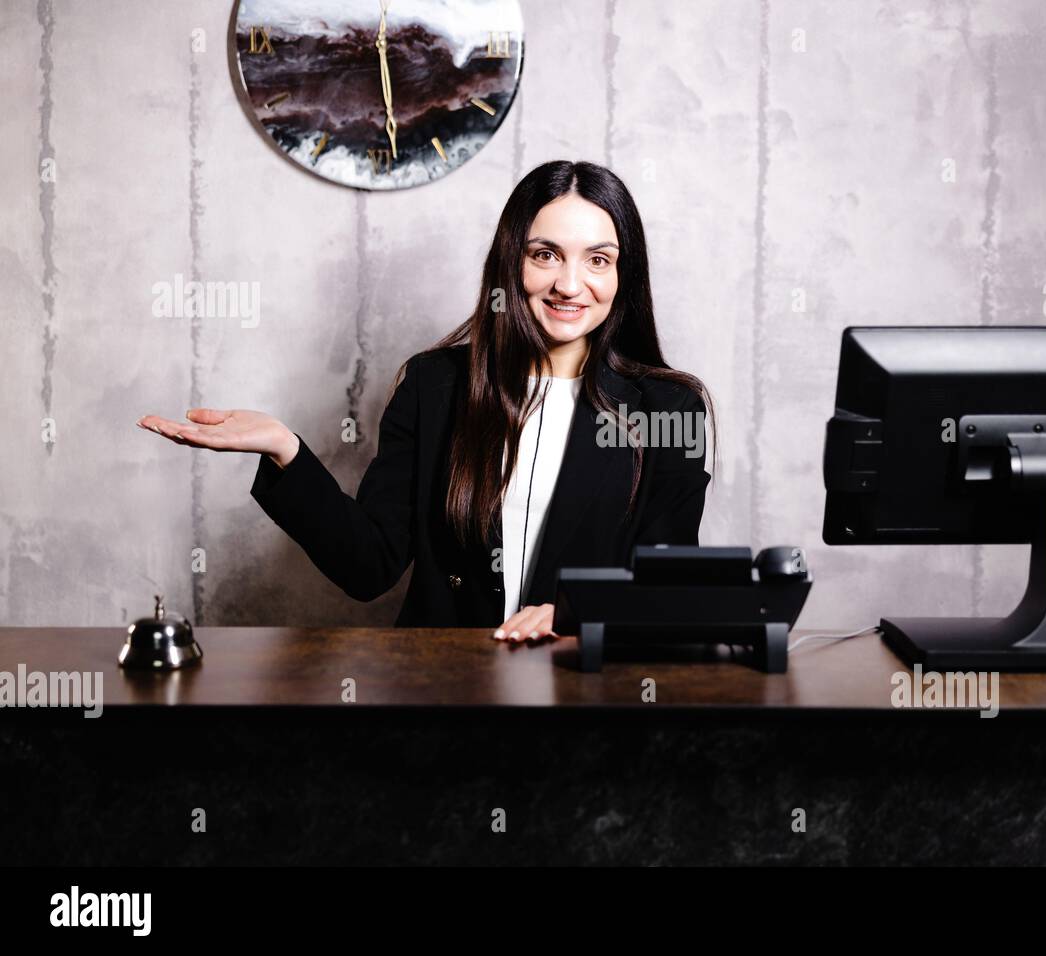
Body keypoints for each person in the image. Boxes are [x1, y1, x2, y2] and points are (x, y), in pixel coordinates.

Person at [137, 160, 716, 645]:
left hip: (587, 705)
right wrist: (286, 450)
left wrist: (578, 615)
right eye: (545, 254)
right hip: (443, 697)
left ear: (622, 275)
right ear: (512, 263)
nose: (569, 283)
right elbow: (368, 566)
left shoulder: (667, 406)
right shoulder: (433, 386)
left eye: (597, 259)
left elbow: (667, 588)